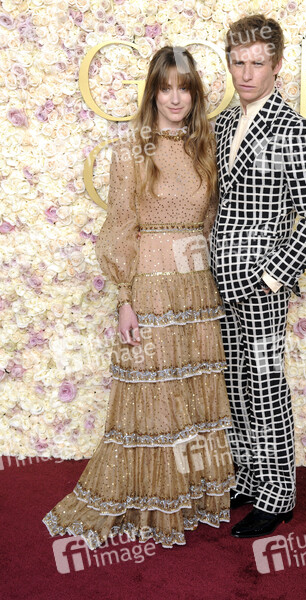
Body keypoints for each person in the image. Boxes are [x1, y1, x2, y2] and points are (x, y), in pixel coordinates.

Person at [42, 46, 235, 549]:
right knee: (152, 396)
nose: (175, 98)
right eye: (165, 88)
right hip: (150, 286)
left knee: (192, 395)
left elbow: (213, 223)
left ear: (195, 94)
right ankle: (150, 500)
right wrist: (125, 298)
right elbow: (120, 226)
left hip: (198, 288)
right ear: (152, 93)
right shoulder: (132, 150)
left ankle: (191, 494)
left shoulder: (206, 147)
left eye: (184, 88)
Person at [209, 15, 306, 538]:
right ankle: (249, 477)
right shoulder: (220, 125)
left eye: (257, 63)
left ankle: (278, 494)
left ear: (277, 65)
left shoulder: (292, 128)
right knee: (235, 384)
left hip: (262, 286)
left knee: (264, 386)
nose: (246, 73)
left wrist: (272, 277)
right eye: (238, 62)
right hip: (219, 281)